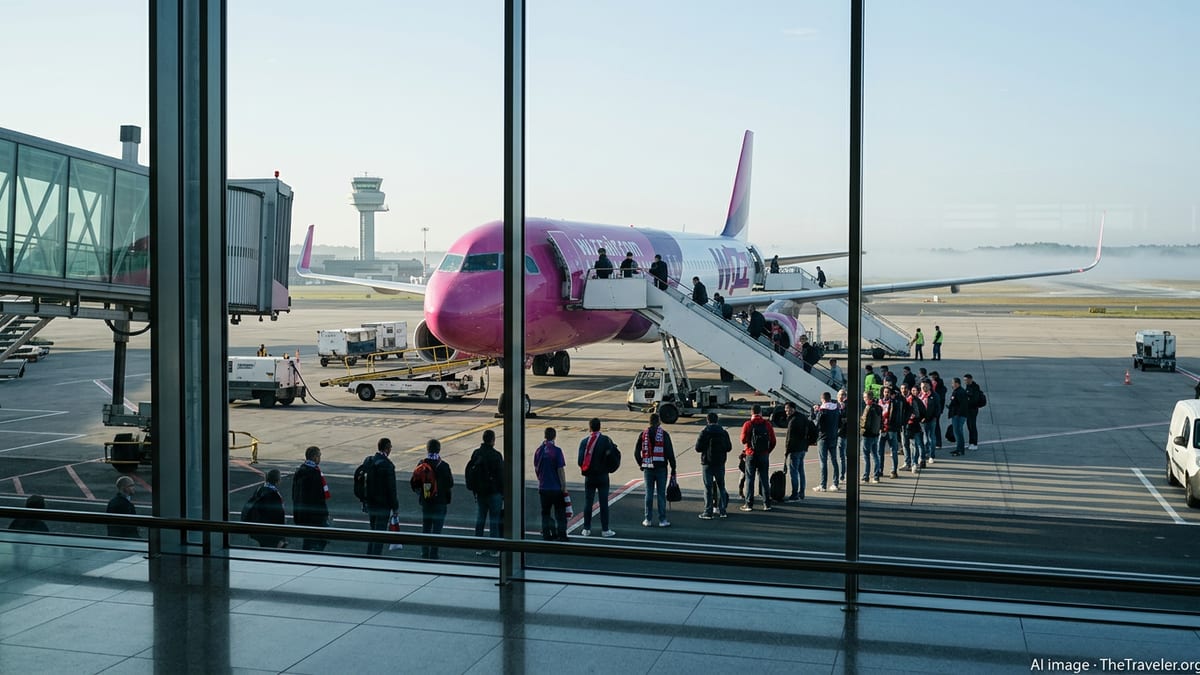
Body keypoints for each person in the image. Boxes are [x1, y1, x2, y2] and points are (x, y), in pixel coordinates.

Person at [413, 438, 454, 558]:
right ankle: (434, 553)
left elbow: (415, 483)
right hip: (440, 501)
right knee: (437, 529)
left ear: (427, 449)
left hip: (426, 501)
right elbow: (450, 483)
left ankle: (424, 552)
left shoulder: (421, 464)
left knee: (426, 527)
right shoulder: (444, 466)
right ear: (439, 449)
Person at [635, 413, 677, 527]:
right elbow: (669, 451)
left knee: (648, 493)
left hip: (648, 468)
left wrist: (641, 463)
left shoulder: (643, 434)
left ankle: (647, 519)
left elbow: (636, 452)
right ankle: (662, 519)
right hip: (661, 468)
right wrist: (673, 466)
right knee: (661, 494)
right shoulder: (664, 434)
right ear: (659, 422)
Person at [577, 418, 617, 537]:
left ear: (590, 427)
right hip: (603, 476)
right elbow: (613, 457)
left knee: (588, 502)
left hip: (589, 476)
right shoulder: (606, 440)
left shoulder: (584, 442)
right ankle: (605, 529)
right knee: (603, 503)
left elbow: (580, 461)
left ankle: (586, 528)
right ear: (600, 427)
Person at [467, 429, 505, 554]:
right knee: (494, 520)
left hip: (480, 492)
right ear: (493, 440)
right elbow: (501, 476)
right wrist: (503, 493)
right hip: (494, 493)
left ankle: (478, 547)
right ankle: (494, 549)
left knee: (480, 518)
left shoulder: (476, 453)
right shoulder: (496, 455)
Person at [292, 445, 330, 551]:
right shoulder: (314, 473)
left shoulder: (299, 471)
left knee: (308, 540)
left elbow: (294, 494)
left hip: (302, 512)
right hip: (315, 514)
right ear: (314, 457)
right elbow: (319, 497)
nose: (320, 458)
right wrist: (325, 513)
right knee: (323, 537)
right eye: (319, 456)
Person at [739, 404, 777, 511]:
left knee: (750, 479)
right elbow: (773, 441)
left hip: (751, 454)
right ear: (761, 412)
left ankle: (749, 504)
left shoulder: (748, 424)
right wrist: (767, 451)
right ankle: (766, 504)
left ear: (751, 413)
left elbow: (742, 440)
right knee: (764, 478)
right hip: (763, 454)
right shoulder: (767, 424)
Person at [364, 437, 399, 556]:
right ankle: (375, 557)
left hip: (371, 502)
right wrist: (395, 507)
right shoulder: (388, 465)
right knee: (380, 533)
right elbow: (391, 489)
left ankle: (369, 555)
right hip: (383, 505)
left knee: (373, 531)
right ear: (387, 448)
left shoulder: (370, 461)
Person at [534, 427, 569, 540]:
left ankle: (546, 534)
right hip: (555, 487)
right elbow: (560, 469)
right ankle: (562, 535)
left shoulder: (539, 451)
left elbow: (536, 468)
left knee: (545, 513)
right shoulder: (556, 451)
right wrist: (563, 485)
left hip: (543, 486)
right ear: (554, 436)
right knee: (560, 513)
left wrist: (541, 480)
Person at [695, 412, 732, 518]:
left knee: (708, 487)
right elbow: (729, 448)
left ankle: (708, 511)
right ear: (717, 420)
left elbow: (698, 448)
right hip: (720, 462)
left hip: (707, 462)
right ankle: (722, 510)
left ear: (707, 420)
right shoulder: (723, 432)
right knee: (721, 486)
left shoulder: (704, 432)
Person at [247, 469, 287, 548]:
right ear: (278, 480)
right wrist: (281, 537)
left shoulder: (259, 490)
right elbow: (279, 517)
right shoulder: (275, 495)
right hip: (270, 531)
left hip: (259, 527)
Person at [784, 401, 815, 500]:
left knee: (794, 472)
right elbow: (814, 429)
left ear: (792, 409)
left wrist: (786, 452)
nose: (786, 411)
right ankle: (801, 492)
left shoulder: (793, 421)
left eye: (787, 409)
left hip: (795, 449)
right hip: (803, 448)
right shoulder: (803, 417)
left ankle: (795, 494)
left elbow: (789, 439)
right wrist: (809, 442)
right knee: (801, 470)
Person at [812, 392, 840, 492]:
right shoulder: (836, 409)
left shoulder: (822, 410)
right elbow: (840, 422)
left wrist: (815, 412)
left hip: (823, 438)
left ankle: (823, 485)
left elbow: (816, 423)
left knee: (823, 462)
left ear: (823, 399)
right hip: (833, 437)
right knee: (834, 460)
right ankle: (835, 483)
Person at [879, 385, 903, 479]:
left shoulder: (895, 403)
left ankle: (893, 471)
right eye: (885, 392)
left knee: (893, 451)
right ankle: (880, 470)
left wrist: (895, 427)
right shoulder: (879, 402)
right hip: (882, 429)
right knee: (880, 451)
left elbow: (897, 416)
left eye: (888, 392)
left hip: (891, 429)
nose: (886, 394)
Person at [860, 391, 883, 484]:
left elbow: (865, 422)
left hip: (867, 435)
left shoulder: (868, 407)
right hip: (875, 434)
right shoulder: (878, 407)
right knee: (875, 455)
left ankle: (866, 476)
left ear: (869, 398)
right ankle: (876, 476)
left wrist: (861, 431)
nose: (864, 399)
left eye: (865, 397)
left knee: (866, 456)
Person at [947, 377, 969, 456]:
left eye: (953, 383)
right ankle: (959, 448)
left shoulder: (960, 392)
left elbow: (962, 405)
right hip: (957, 414)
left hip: (958, 415)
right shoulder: (958, 391)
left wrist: (958, 414)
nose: (952, 385)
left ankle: (960, 449)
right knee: (958, 432)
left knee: (958, 432)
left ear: (957, 383)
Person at [963, 373, 984, 450]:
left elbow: (974, 399)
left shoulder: (974, 388)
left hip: (972, 409)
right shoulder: (968, 387)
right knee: (969, 426)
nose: (966, 381)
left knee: (972, 426)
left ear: (971, 379)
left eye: (967, 380)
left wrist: (967, 400)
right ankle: (971, 442)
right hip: (969, 409)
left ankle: (974, 443)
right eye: (965, 380)